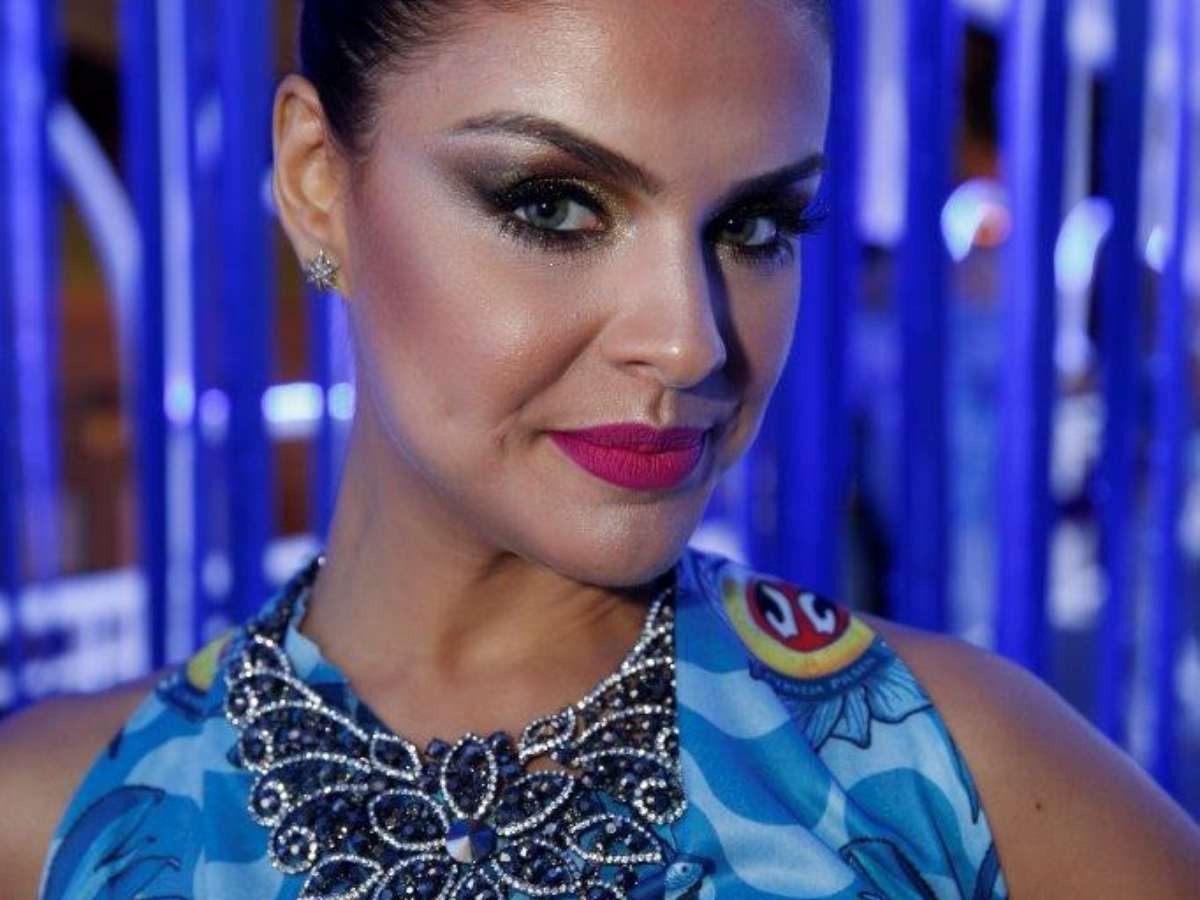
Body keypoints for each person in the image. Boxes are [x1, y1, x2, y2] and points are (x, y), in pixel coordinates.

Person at [3, 1, 1200, 897]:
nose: (689, 342)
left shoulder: (961, 780)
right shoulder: (49, 831)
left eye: (756, 224)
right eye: (553, 205)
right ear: (319, 183)